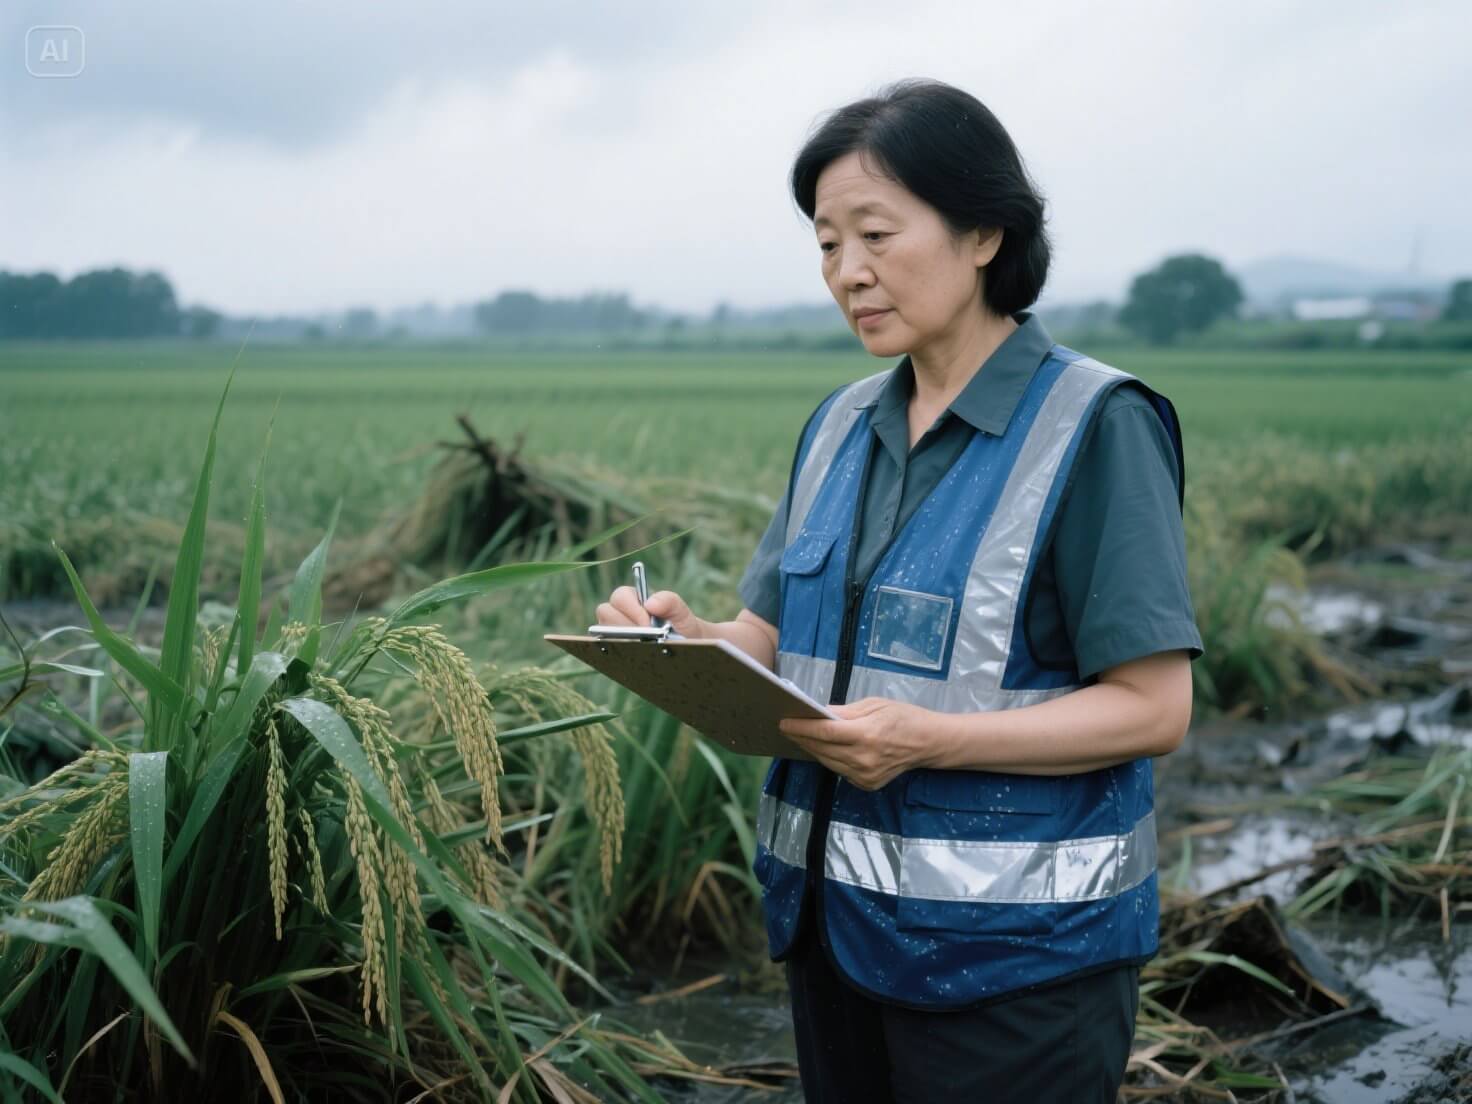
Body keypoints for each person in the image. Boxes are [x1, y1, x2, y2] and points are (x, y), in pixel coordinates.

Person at [596, 78, 1204, 1104]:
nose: (848, 272)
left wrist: (929, 737)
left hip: (1019, 971)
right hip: (831, 938)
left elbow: (1154, 708)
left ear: (981, 232)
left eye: (875, 234)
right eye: (827, 244)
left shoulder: (1093, 427)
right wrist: (688, 641)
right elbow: (771, 637)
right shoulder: (837, 426)